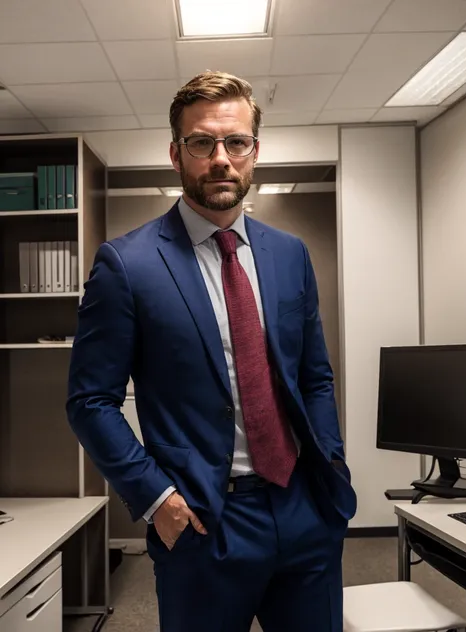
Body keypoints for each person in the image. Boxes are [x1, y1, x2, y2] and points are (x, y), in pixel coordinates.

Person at [66, 70, 357, 632]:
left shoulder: (289, 255)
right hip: (202, 522)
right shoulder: (127, 265)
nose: (220, 157)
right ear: (176, 154)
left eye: (236, 142)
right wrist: (158, 500)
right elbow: (90, 402)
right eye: (202, 142)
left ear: (254, 152)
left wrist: (333, 465)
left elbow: (315, 377)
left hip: (303, 509)